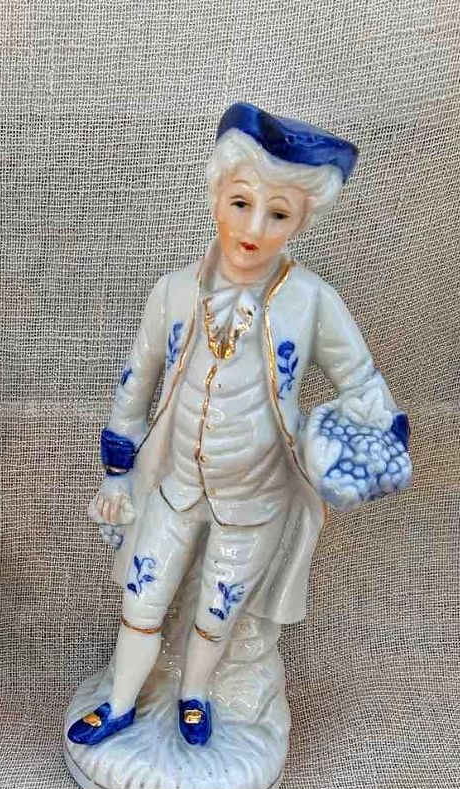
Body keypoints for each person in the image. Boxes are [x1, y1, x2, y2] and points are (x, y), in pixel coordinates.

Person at [68, 102, 410, 749]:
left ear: (301, 220)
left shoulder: (312, 302)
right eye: (241, 203)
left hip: (257, 497)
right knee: (142, 597)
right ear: (215, 198)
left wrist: (370, 443)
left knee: (217, 609)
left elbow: (362, 381)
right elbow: (135, 384)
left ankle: (195, 695)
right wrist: (117, 470)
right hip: (175, 485)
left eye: (277, 213)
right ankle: (119, 701)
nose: (254, 227)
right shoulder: (174, 292)